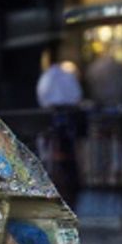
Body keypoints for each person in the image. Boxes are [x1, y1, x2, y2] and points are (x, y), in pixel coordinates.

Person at [35, 49, 85, 209]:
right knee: (68, 155)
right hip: (67, 120)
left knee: (52, 154)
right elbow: (77, 96)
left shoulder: (48, 77)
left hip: (52, 119)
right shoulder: (67, 77)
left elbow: (42, 96)